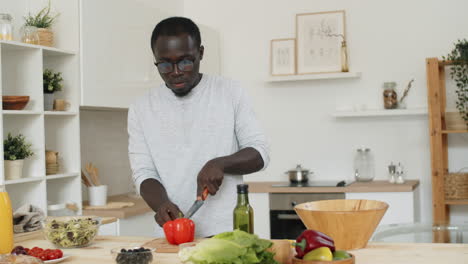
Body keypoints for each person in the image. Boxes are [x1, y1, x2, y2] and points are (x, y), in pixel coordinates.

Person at [128, 16, 269, 237]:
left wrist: (220, 164)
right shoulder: (141, 107)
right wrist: (161, 204)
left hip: (226, 235)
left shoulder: (230, 92)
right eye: (165, 64)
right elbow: (143, 173)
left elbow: (259, 154)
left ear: (200, 53)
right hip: (171, 236)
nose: (175, 72)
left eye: (185, 61)